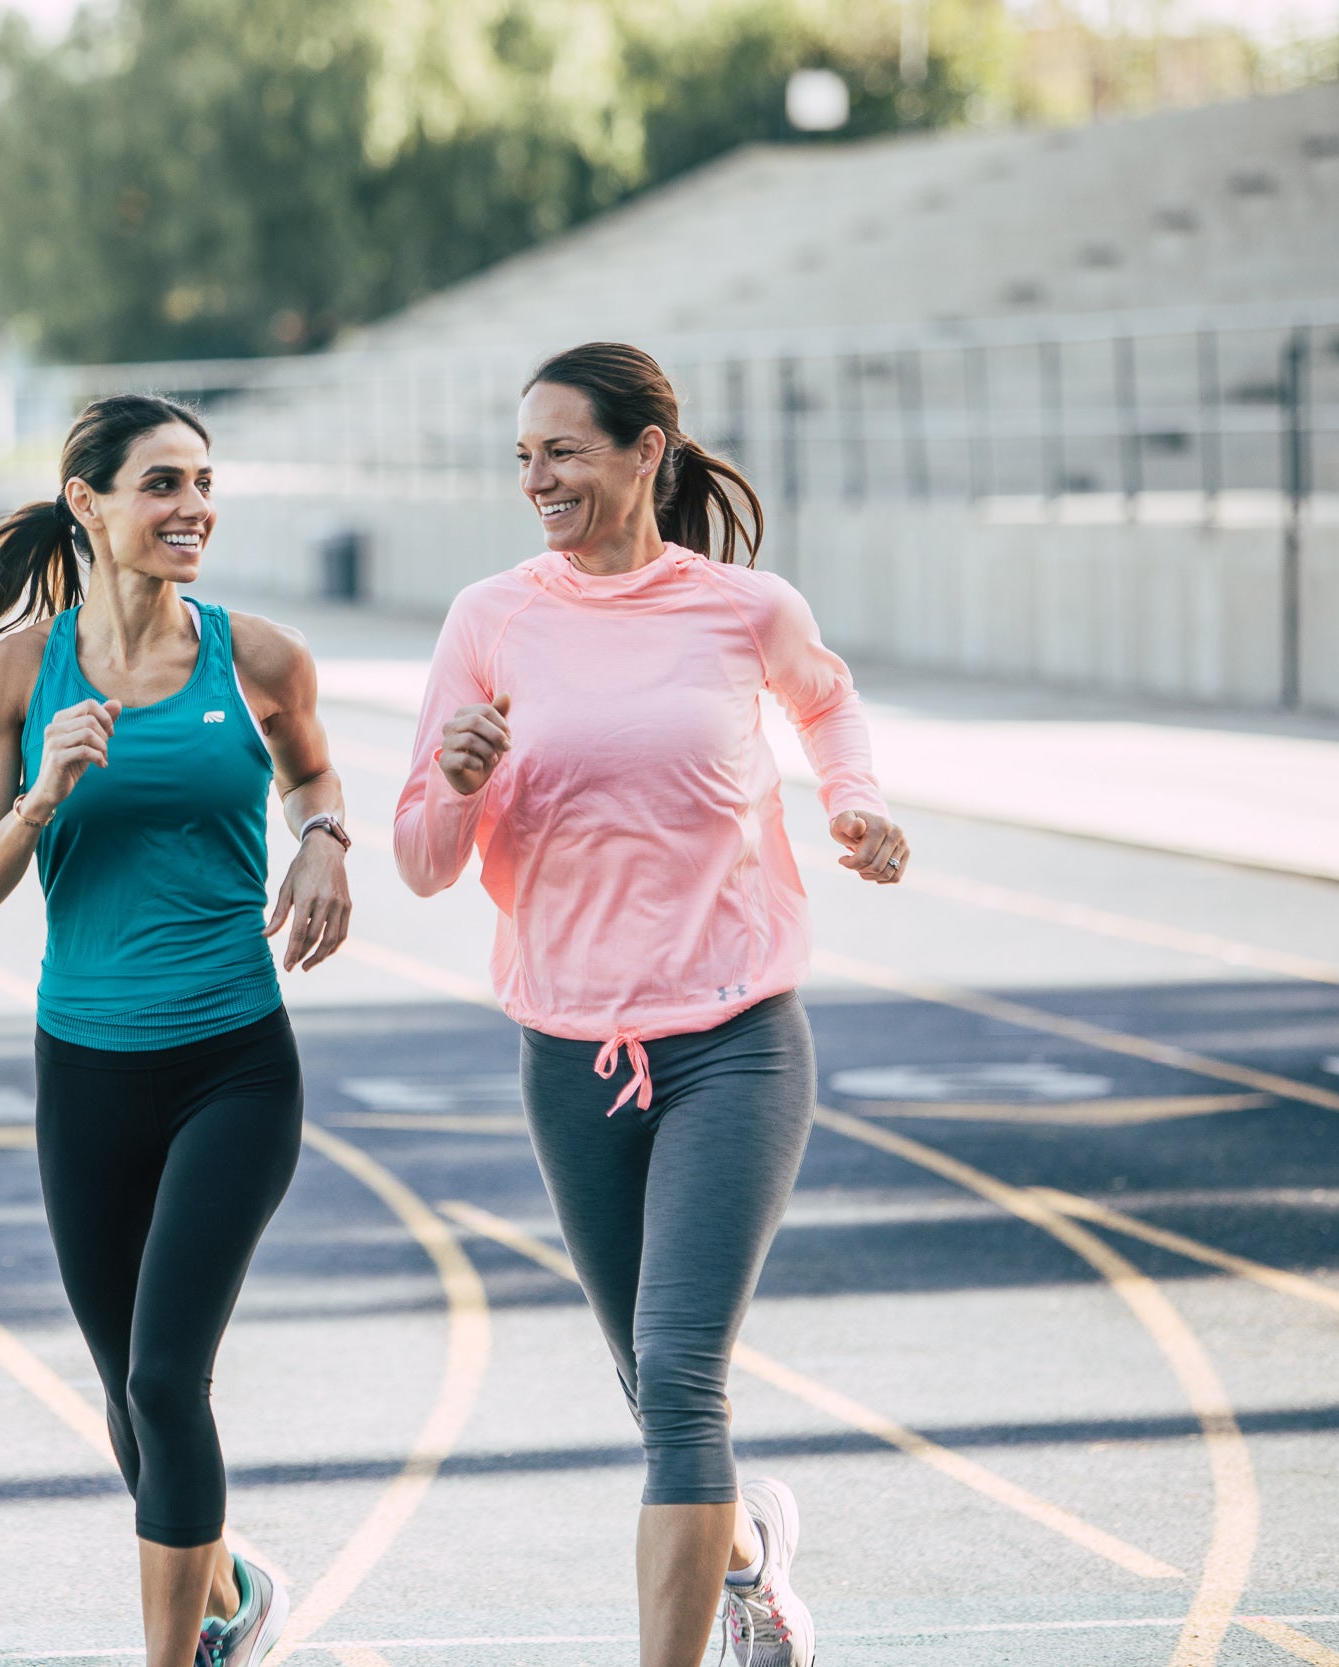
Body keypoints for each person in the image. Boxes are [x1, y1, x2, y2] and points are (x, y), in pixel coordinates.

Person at [393, 343, 907, 1667]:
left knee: (681, 1379)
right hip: (567, 1050)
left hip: (734, 1037)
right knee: (651, 1385)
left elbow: (829, 703)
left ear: (645, 452)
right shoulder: (490, 620)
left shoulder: (741, 607)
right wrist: (453, 775)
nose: (538, 478)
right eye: (523, 456)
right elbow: (425, 860)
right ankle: (749, 1560)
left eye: (562, 449)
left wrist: (854, 803)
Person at [0, 394, 352, 1667]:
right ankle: (233, 1589)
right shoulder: (18, 671)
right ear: (89, 504)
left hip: (233, 1062)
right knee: (130, 1403)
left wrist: (327, 839)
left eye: (203, 482)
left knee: (169, 1380)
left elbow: (314, 769)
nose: (192, 508)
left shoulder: (258, 656)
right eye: (161, 483)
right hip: (86, 1073)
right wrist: (41, 800)